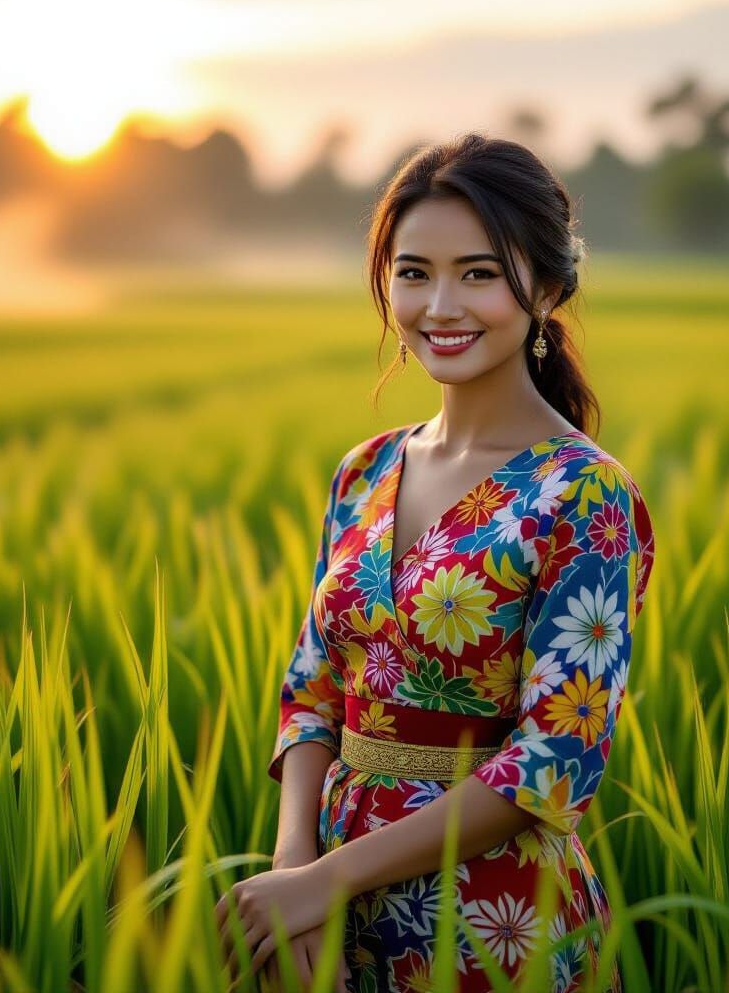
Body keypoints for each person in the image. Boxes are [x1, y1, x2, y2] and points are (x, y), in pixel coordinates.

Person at [214, 132, 657, 993]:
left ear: (550, 285)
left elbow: (555, 756)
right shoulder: (366, 469)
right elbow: (311, 690)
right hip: (326, 906)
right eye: (414, 272)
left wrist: (321, 883)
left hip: (494, 921)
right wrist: (294, 872)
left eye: (480, 273)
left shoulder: (585, 494)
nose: (441, 305)